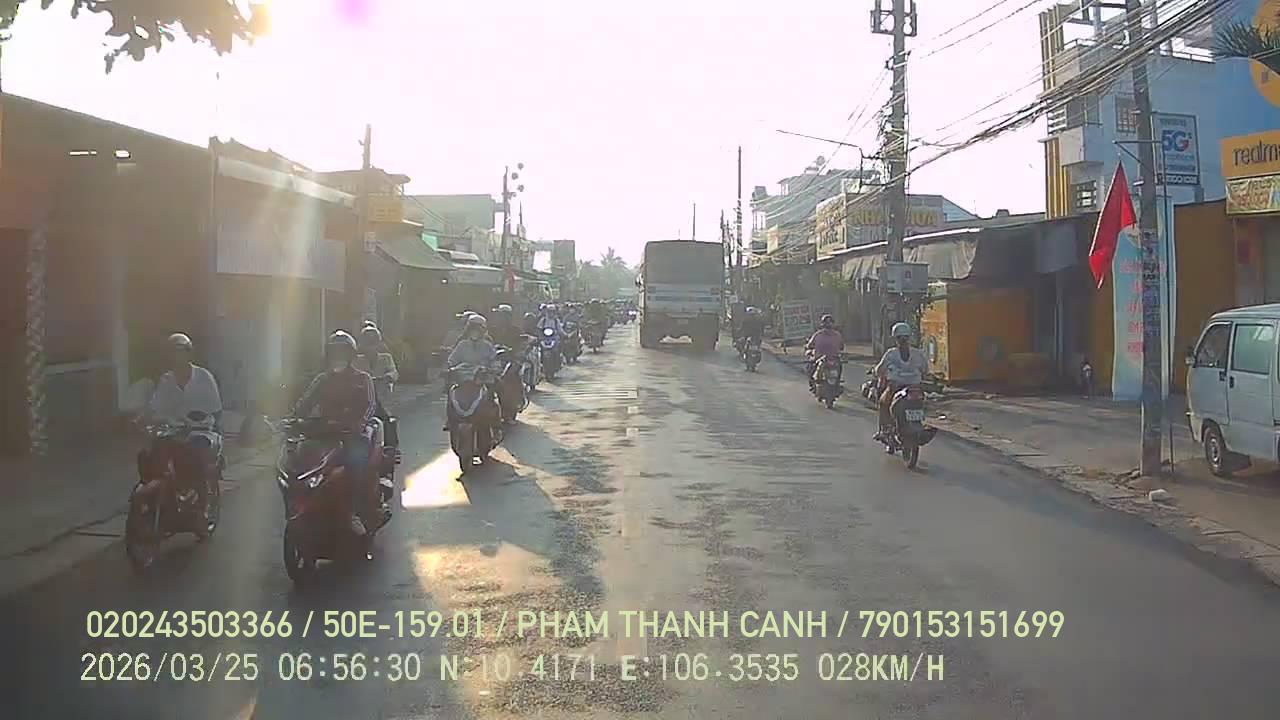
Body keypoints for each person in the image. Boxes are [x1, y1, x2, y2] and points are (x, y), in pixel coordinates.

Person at [292, 330, 379, 536]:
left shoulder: (363, 379)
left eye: (343, 352)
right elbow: (304, 403)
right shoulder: (322, 380)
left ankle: (354, 511)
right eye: (335, 352)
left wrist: (359, 423)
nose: (338, 357)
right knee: (299, 458)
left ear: (351, 356)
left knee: (356, 461)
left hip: (352, 434)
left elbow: (371, 405)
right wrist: (294, 418)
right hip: (325, 432)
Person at [147, 332, 224, 529]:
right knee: (153, 453)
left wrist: (200, 419)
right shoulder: (166, 380)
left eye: (180, 352)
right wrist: (146, 418)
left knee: (197, 459)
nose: (176, 357)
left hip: (202, 431)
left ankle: (203, 507)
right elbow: (156, 407)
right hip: (174, 431)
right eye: (173, 353)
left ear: (188, 354)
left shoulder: (204, 377)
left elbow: (215, 409)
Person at [873, 322, 928, 441]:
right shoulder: (917, 354)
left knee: (883, 403)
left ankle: (884, 430)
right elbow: (925, 370)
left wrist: (877, 373)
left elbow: (879, 370)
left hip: (895, 386)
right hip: (915, 388)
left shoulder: (891, 354)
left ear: (895, 338)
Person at [804, 315, 845, 391]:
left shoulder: (817, 334)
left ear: (822, 324)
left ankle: (813, 384)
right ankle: (837, 382)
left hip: (820, 358)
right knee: (839, 366)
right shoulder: (837, 334)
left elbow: (809, 345)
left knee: (810, 366)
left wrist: (808, 347)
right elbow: (842, 347)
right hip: (834, 359)